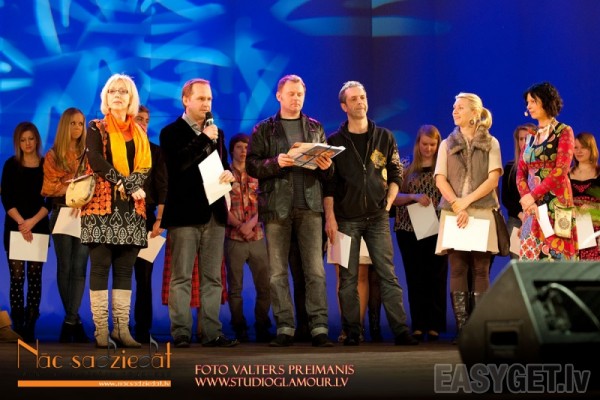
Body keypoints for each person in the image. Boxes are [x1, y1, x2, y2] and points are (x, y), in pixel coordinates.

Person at [324, 80, 417, 346]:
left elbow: (396, 173)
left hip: (377, 218)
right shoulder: (334, 142)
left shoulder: (384, 137)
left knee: (388, 275)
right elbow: (328, 185)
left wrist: (388, 203)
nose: (360, 102)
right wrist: (330, 218)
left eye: (362, 97)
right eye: (353, 99)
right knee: (348, 279)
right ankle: (352, 331)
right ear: (344, 106)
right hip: (346, 219)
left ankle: (401, 330)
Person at [247, 74, 333, 348]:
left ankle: (319, 327)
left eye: (300, 94)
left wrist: (326, 166)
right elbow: (251, 165)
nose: (296, 98)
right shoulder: (264, 129)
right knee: (277, 272)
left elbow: (328, 173)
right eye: (291, 93)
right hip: (276, 208)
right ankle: (285, 326)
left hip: (309, 206)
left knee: (315, 271)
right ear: (279, 96)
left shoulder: (315, 127)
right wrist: (276, 162)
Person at [160, 78, 238, 348]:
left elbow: (222, 164)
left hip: (214, 213)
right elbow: (178, 165)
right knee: (181, 276)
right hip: (184, 214)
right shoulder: (170, 132)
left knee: (212, 278)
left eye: (209, 99)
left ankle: (211, 331)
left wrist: (229, 174)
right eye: (201, 99)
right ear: (186, 100)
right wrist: (204, 138)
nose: (207, 104)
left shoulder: (218, 133)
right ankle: (181, 331)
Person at [81, 73, 151, 348]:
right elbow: (96, 160)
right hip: (102, 207)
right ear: (106, 98)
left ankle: (122, 329)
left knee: (124, 270)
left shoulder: (140, 132)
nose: (118, 95)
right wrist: (124, 183)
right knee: (100, 267)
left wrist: (131, 186)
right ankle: (101, 331)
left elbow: (145, 166)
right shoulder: (96, 127)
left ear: (131, 98)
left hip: (132, 209)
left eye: (123, 91)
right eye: (112, 91)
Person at [434, 92, 502, 342]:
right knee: (458, 268)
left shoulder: (491, 142)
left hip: (482, 210)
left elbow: (493, 179)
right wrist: (457, 204)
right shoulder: (446, 143)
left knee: (481, 269)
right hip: (454, 212)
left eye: (460, 107)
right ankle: (463, 328)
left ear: (474, 113)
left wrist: (467, 201)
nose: (455, 111)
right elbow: (440, 178)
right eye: (454, 107)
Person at [41, 107, 91, 343]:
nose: (78, 128)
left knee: (80, 267)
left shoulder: (88, 154)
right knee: (65, 266)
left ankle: (70, 320)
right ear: (64, 126)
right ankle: (74, 320)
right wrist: (75, 187)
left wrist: (68, 184)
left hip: (84, 214)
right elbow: (49, 188)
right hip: (61, 212)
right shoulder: (53, 155)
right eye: (73, 123)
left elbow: (93, 184)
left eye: (81, 123)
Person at [393, 124, 447, 342]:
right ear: (418, 143)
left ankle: (434, 325)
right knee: (415, 277)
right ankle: (418, 324)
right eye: (425, 144)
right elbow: (393, 198)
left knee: (436, 276)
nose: (429, 148)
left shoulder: (443, 167)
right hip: (409, 229)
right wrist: (413, 197)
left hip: (436, 228)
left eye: (433, 145)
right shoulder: (405, 166)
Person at [1, 122, 50, 342]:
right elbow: (6, 198)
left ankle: (31, 323)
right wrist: (22, 223)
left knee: (35, 277)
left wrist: (32, 222)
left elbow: (50, 201)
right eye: (23, 140)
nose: (27, 143)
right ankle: (18, 323)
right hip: (15, 227)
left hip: (38, 226)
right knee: (17, 277)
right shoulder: (11, 165)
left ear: (36, 139)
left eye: (30, 139)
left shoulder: (47, 164)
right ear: (17, 143)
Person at [517, 82, 577, 260]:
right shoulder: (530, 137)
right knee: (530, 258)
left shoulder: (564, 131)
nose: (529, 106)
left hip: (556, 203)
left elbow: (561, 170)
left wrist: (532, 195)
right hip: (532, 208)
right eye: (528, 102)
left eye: (533, 101)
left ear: (546, 101)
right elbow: (520, 172)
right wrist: (527, 199)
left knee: (557, 257)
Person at [225, 133, 273, 343]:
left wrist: (250, 225)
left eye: (246, 147)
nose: (243, 151)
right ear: (232, 150)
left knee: (265, 285)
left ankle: (262, 325)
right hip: (234, 237)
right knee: (235, 288)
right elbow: (221, 205)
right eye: (239, 147)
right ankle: (239, 328)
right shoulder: (225, 174)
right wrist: (239, 226)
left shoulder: (258, 173)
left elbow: (266, 202)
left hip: (257, 236)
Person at [131, 105, 168, 343]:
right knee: (122, 275)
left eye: (146, 119)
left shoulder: (156, 151)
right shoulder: (121, 149)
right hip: (123, 218)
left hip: (148, 219)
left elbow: (163, 186)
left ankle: (143, 328)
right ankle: (119, 326)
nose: (143, 123)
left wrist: (160, 219)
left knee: (144, 278)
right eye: (139, 118)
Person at [501, 123, 536, 260]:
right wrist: (522, 215)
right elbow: (506, 198)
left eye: (527, 138)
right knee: (518, 263)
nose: (524, 142)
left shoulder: (542, 168)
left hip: (537, 220)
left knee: (537, 264)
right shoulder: (510, 168)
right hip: (516, 220)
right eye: (521, 139)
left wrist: (530, 218)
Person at [570, 132, 600, 260]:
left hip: (595, 226)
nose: (579, 151)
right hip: (572, 226)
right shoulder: (566, 174)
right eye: (576, 147)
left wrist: (592, 207)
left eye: (583, 147)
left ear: (591, 148)